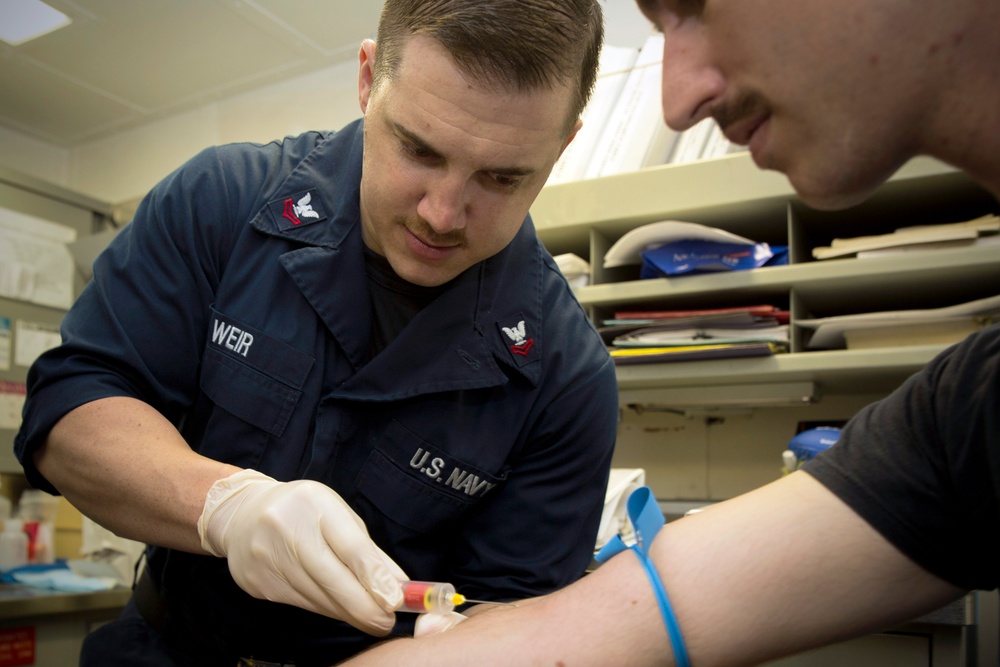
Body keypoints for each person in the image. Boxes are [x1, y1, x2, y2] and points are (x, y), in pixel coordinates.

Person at [339, 0, 1000, 664]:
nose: (676, 100)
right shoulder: (969, 422)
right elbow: (600, 622)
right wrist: (228, 500)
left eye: (695, 6)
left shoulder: (565, 365)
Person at [13, 1, 617, 664]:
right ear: (366, 79)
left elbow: (515, 621)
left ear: (562, 146)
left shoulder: (566, 374)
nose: (443, 214)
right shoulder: (221, 202)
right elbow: (69, 409)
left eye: (502, 177)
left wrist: (485, 637)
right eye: (419, 148)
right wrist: (224, 507)